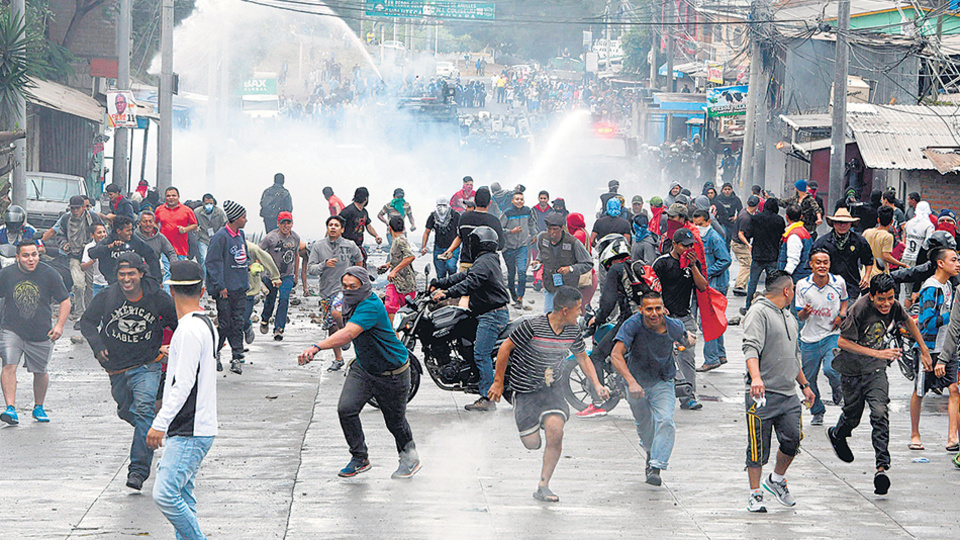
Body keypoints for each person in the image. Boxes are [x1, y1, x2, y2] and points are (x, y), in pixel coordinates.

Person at [298, 267, 421, 479]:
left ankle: (410, 459)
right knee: (346, 409)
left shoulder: (370, 306)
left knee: (395, 422)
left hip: (392, 372)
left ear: (364, 287)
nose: (347, 291)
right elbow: (338, 313)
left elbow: (348, 333)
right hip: (364, 368)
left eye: (353, 287)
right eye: (344, 286)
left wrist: (317, 347)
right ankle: (359, 458)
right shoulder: (347, 301)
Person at [488, 286, 608, 502]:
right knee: (532, 443)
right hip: (524, 390)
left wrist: (597, 385)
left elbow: (582, 358)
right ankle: (536, 424)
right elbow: (505, 349)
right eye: (578, 309)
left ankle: (543, 486)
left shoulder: (572, 331)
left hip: (552, 388)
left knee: (556, 431)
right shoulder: (532, 326)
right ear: (564, 310)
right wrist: (498, 382)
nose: (580, 313)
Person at [79, 252, 177, 490]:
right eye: (122, 274)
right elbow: (87, 322)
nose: (126, 279)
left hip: (147, 364)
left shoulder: (157, 297)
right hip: (117, 368)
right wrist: (98, 346)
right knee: (127, 412)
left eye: (131, 274)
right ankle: (154, 431)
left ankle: (138, 471)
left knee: (143, 410)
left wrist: (176, 347)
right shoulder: (107, 296)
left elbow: (178, 323)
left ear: (141, 274)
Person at [828, 274, 931, 495]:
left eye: (890, 298)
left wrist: (924, 350)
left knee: (879, 412)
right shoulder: (860, 308)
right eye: (881, 299)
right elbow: (842, 341)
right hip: (852, 369)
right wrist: (878, 352)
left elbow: (909, 321)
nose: (886, 304)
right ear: (872, 296)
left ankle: (881, 468)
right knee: (853, 415)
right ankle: (838, 433)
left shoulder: (893, 306)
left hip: (876, 369)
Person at [146, 260, 219, 539]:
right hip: (196, 425)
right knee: (184, 497)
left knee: (165, 494)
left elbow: (183, 384)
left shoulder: (188, 330)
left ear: (171, 291)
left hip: (189, 427)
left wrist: (159, 423)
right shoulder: (204, 324)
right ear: (202, 292)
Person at [742, 270, 817, 512]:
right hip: (762, 396)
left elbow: (794, 356)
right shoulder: (758, 313)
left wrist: (804, 385)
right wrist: (756, 378)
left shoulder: (790, 317)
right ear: (786, 291)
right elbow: (750, 347)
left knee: (793, 440)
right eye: (792, 288)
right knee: (757, 447)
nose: (793, 292)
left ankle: (776, 479)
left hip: (788, 394)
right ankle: (755, 495)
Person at [609, 290, 694, 486]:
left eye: (658, 308)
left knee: (665, 420)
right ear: (641, 310)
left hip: (663, 381)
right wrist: (631, 382)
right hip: (637, 382)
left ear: (664, 309)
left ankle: (656, 466)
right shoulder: (632, 324)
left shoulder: (673, 326)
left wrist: (689, 340)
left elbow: (686, 340)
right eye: (649, 309)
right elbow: (616, 354)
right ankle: (650, 451)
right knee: (644, 425)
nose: (654, 314)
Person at [431, 226, 510, 412]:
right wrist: (439, 282)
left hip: (492, 315)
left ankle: (487, 399)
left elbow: (471, 282)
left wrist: (446, 293)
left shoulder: (485, 261)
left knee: (481, 353)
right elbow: (464, 275)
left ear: (477, 244)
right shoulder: (487, 260)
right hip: (487, 312)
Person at [581, 235, 652, 418]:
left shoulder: (616, 270)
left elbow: (607, 302)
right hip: (652, 320)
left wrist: (597, 319)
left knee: (596, 356)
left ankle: (598, 402)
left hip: (629, 322)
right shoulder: (638, 265)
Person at [0, 240, 69, 426]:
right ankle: (10, 408)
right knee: (8, 365)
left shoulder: (49, 273)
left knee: (40, 371)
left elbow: (65, 300)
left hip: (41, 331)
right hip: (11, 329)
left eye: (34, 255)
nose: (31, 259)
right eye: (26, 256)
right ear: (17, 258)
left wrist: (59, 326)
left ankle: (38, 406)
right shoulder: (6, 274)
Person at [911, 248, 960, 452]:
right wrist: (953, 316)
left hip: (947, 348)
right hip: (928, 348)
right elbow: (927, 322)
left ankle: (952, 437)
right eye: (954, 260)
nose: (957, 264)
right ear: (941, 263)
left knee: (954, 389)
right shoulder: (931, 288)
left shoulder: (948, 285)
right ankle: (915, 434)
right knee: (920, 391)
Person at [654, 229, 709, 410]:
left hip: (685, 318)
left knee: (687, 356)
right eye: (685, 245)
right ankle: (664, 395)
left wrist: (693, 266)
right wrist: (660, 307)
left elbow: (702, 287)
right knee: (663, 357)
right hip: (664, 319)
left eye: (691, 245)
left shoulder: (693, 264)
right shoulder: (662, 263)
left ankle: (688, 396)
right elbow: (651, 288)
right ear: (675, 245)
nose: (688, 248)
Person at [796, 248, 848, 426]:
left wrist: (841, 316)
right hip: (809, 339)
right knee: (808, 380)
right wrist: (805, 312)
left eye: (825, 262)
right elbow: (800, 316)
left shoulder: (838, 282)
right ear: (811, 265)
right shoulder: (802, 285)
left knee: (831, 369)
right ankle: (817, 411)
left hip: (831, 335)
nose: (822, 266)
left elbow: (844, 300)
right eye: (818, 262)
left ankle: (837, 387)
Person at [308, 215, 363, 372]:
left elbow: (359, 259)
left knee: (338, 314)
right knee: (330, 325)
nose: (333, 227)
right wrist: (323, 265)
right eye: (330, 225)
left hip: (345, 291)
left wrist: (357, 278)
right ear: (327, 228)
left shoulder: (349, 245)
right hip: (326, 290)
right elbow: (311, 269)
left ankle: (347, 335)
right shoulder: (318, 246)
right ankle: (338, 358)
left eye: (336, 225)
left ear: (342, 229)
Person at [41, 195, 103, 321]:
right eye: (73, 208)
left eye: (77, 208)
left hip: (90, 255)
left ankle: (89, 312)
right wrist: (64, 244)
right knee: (79, 285)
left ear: (83, 208)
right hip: (74, 256)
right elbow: (60, 234)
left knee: (90, 285)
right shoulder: (66, 219)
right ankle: (80, 313)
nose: (75, 211)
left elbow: (101, 231)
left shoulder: (91, 217)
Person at [205, 200, 250, 374]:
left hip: (240, 287)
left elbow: (244, 257)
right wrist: (220, 286)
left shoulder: (240, 235)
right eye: (243, 217)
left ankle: (237, 356)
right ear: (235, 218)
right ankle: (214, 354)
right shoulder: (220, 237)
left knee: (238, 322)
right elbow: (213, 263)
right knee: (225, 324)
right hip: (225, 290)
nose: (246, 220)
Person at [691, 210, 731, 371]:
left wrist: (706, 273)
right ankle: (720, 354)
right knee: (715, 320)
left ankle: (711, 358)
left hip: (715, 284)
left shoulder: (714, 238)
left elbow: (725, 260)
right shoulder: (700, 238)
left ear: (708, 222)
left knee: (707, 322)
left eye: (700, 224)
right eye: (695, 224)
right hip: (709, 283)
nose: (697, 227)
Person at [536, 212, 593, 313]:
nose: (552, 232)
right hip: (550, 285)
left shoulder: (573, 242)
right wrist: (538, 260)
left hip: (568, 288)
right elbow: (543, 252)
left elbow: (588, 263)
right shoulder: (542, 238)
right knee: (548, 315)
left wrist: (571, 269)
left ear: (562, 228)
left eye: (555, 229)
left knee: (566, 316)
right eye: (549, 229)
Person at [812, 208, 873, 302]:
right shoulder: (822, 242)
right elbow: (812, 263)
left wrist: (866, 277)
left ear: (850, 224)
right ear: (833, 223)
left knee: (847, 314)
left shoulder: (859, 241)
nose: (842, 225)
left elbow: (868, 260)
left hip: (851, 286)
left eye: (845, 223)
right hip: (827, 286)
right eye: (839, 222)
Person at [258, 211, 300, 341]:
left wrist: (296, 275)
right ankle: (265, 319)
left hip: (287, 275)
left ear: (292, 224)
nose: (286, 226)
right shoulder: (270, 237)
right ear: (278, 224)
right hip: (271, 275)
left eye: (288, 223)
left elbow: (297, 255)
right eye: (283, 223)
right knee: (270, 299)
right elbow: (258, 252)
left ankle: (279, 328)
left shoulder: (295, 238)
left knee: (284, 299)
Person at [441, 187, 504, 272]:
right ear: (489, 203)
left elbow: (459, 237)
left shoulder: (464, 217)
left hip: (466, 264)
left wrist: (449, 251)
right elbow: (500, 245)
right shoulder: (494, 221)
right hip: (486, 266)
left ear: (474, 201)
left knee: (464, 285)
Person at [88, 215, 162, 284]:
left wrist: (156, 280)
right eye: (128, 230)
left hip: (134, 282)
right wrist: (110, 247)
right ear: (118, 231)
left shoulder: (134, 240)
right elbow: (92, 253)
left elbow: (151, 256)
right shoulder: (108, 241)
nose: (130, 233)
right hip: (113, 282)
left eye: (131, 230)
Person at [743, 198, 784, 313]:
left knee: (753, 282)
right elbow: (781, 236)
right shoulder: (779, 220)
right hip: (773, 256)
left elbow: (748, 234)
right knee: (772, 283)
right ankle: (773, 307)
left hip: (758, 255)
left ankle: (748, 306)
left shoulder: (756, 218)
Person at [500, 191, 536, 310]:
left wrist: (534, 234)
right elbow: (500, 229)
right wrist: (511, 231)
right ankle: (513, 294)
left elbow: (531, 224)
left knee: (522, 272)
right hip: (508, 248)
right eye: (517, 199)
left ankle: (520, 298)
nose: (519, 201)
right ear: (512, 201)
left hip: (522, 246)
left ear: (524, 201)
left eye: (521, 199)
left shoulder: (527, 211)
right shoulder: (507, 213)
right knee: (511, 273)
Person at [381, 216, 416, 323]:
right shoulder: (396, 241)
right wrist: (388, 265)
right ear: (404, 227)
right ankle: (395, 336)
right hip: (395, 282)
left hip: (406, 283)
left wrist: (394, 271)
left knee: (409, 312)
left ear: (389, 228)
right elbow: (399, 257)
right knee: (389, 306)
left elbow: (410, 256)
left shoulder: (400, 241)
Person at [244, 239, 279, 345]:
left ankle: (247, 326)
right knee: (230, 321)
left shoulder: (250, 248)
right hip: (230, 288)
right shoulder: (223, 246)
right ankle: (237, 352)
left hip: (249, 289)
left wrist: (275, 276)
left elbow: (266, 258)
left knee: (243, 318)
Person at [340, 187, 382, 266]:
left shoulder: (364, 212)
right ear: (366, 199)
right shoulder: (348, 211)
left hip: (358, 246)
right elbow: (337, 224)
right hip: (346, 248)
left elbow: (368, 226)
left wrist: (376, 235)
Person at [421, 197, 461, 280]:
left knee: (451, 267)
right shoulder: (433, 216)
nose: (441, 207)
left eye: (444, 205)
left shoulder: (455, 215)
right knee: (440, 272)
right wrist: (424, 246)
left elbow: (461, 231)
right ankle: (441, 289)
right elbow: (426, 232)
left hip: (452, 248)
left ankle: (453, 286)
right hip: (439, 247)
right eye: (439, 205)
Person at [154, 187, 198, 261]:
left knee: (179, 271)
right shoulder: (159, 209)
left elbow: (194, 225)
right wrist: (157, 232)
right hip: (165, 248)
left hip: (181, 248)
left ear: (178, 197)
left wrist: (185, 229)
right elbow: (154, 222)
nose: (171, 198)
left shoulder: (187, 210)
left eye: (173, 195)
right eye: (168, 196)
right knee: (168, 271)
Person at [134, 210, 178, 285]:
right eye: (145, 221)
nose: (148, 224)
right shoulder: (133, 237)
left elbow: (171, 252)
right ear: (139, 223)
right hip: (136, 273)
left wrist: (174, 265)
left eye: (150, 221)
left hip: (154, 272)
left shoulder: (160, 237)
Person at [863, 206, 903, 281]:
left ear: (878, 220)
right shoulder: (888, 236)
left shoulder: (867, 232)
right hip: (880, 276)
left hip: (865, 275)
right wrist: (902, 264)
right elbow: (886, 256)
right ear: (891, 222)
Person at [778, 204, 812, 284]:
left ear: (786, 217)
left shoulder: (794, 235)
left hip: (796, 278)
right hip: (803, 274)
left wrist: (785, 276)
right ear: (801, 217)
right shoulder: (803, 231)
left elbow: (793, 259)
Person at [731, 195, 758, 296]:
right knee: (746, 264)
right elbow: (740, 234)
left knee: (746, 263)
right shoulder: (745, 218)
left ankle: (741, 284)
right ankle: (740, 286)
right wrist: (748, 245)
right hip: (739, 244)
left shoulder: (744, 211)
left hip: (738, 243)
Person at [193, 193, 227, 266]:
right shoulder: (197, 212)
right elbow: (193, 224)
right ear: (203, 203)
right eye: (207, 203)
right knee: (205, 259)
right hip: (203, 238)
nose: (209, 205)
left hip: (216, 239)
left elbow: (225, 224)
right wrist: (196, 229)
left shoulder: (219, 212)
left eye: (211, 203)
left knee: (216, 259)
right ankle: (205, 277)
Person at [903, 201, 935, 266]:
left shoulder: (908, 223)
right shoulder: (929, 225)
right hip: (919, 259)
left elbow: (905, 239)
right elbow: (927, 244)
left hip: (906, 256)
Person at [81, 223, 109, 297]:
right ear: (92, 235)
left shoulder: (110, 245)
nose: (103, 235)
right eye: (99, 232)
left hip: (110, 284)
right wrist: (93, 259)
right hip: (97, 284)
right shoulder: (89, 247)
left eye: (104, 232)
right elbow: (83, 267)